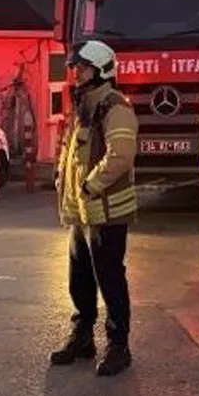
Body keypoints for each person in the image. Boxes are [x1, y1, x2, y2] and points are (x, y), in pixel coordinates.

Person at [49, 40, 139, 377]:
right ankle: (82, 337)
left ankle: (119, 346)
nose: (76, 74)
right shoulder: (84, 105)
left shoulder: (115, 107)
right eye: (75, 68)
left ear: (101, 70)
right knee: (80, 278)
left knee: (110, 278)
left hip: (106, 211)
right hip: (82, 211)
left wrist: (90, 185)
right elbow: (71, 153)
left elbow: (120, 156)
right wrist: (64, 181)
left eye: (82, 68)